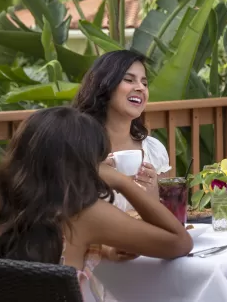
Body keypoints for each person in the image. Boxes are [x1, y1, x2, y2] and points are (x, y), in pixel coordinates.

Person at [0, 107, 193, 302]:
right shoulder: (84, 214)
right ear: (82, 160)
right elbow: (180, 242)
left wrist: (101, 250)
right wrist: (122, 182)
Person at [73, 50, 172, 212]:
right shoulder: (77, 146)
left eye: (145, 83)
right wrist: (91, 175)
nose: (140, 88)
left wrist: (154, 193)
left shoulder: (154, 150)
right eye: (129, 80)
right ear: (105, 84)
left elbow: (169, 219)